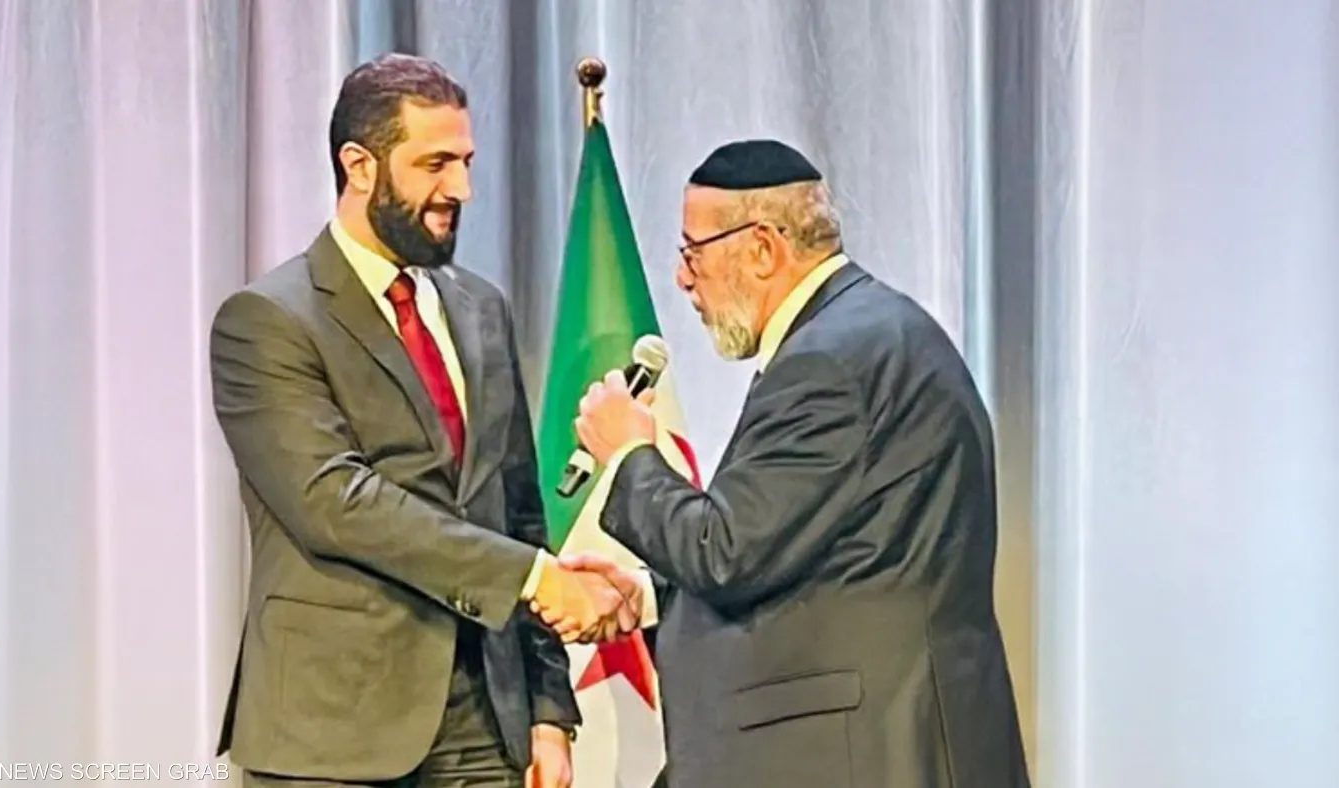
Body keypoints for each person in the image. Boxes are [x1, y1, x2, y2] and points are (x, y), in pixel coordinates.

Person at [545, 140, 1032, 787]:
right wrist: (649, 595)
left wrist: (630, 453)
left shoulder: (829, 363)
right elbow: (806, 555)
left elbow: (725, 552)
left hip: (863, 758)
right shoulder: (867, 332)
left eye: (693, 253)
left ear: (762, 249)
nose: (683, 279)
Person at [209, 53, 619, 788]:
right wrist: (531, 579)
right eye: (434, 164)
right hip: (333, 734)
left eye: (465, 162)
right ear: (359, 166)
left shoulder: (481, 308)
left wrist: (549, 711)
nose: (460, 189)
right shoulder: (268, 322)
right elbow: (336, 504)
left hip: (486, 729)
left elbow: (518, 514)